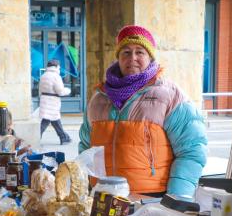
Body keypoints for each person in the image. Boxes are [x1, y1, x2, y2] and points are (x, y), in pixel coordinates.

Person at [78, 25, 208, 197]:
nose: (132, 58)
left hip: (151, 198)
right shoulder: (99, 98)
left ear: (150, 57)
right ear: (118, 57)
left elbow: (192, 150)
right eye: (126, 52)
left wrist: (177, 198)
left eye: (140, 52)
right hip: (102, 194)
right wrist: (84, 188)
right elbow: (85, 149)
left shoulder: (169, 95)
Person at [39, 60, 72, 145]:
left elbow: (40, 90)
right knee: (47, 120)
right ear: (56, 66)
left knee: (53, 119)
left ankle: (64, 137)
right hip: (52, 101)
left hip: (44, 99)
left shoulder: (44, 75)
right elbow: (60, 91)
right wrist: (68, 90)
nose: (60, 68)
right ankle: (35, 137)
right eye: (59, 67)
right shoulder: (56, 76)